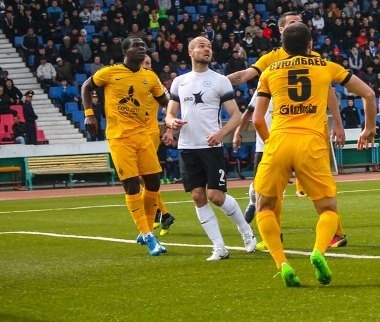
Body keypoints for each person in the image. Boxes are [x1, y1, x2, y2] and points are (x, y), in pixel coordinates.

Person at [251, 22, 377, 287]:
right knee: (328, 210)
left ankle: (282, 264)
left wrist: (272, 143)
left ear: (283, 48)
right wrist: (369, 128)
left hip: (279, 141)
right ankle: (318, 251)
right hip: (312, 144)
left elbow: (257, 119)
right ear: (310, 45)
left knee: (265, 207)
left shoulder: (270, 71)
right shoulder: (326, 66)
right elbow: (368, 93)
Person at [229, 12, 349, 249]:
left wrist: (337, 122)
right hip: (275, 131)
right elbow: (246, 78)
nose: (299, 25)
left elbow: (329, 91)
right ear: (282, 30)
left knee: (321, 190)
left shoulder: (314, 58)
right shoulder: (271, 58)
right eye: (293, 23)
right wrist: (215, 81)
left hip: (308, 132)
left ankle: (336, 233)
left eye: (300, 22)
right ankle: (276, 237)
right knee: (270, 192)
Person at [163, 37, 257, 261]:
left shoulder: (219, 80)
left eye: (209, 47)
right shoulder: (179, 82)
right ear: (190, 52)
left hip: (210, 146)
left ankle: (246, 230)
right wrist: (171, 123)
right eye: (202, 46)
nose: (207, 49)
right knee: (198, 196)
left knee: (215, 196)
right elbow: (169, 114)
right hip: (187, 147)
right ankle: (219, 247)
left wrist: (220, 134)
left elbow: (236, 115)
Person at [81, 37, 169, 256]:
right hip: (119, 137)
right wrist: (89, 114)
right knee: (131, 186)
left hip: (143, 135)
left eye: (143, 46)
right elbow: (86, 86)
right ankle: (148, 235)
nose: (142, 49)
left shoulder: (150, 77)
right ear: (125, 51)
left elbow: (165, 101)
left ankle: (146, 229)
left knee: (153, 183)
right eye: (136, 46)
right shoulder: (109, 72)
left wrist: (174, 116)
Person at [141, 55, 176, 236]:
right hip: (134, 133)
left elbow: (170, 106)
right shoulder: (130, 80)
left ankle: (160, 213)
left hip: (150, 133)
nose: (146, 65)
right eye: (143, 62)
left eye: (148, 63)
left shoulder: (155, 83)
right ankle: (163, 214)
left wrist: (169, 129)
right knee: (142, 178)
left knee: (143, 176)